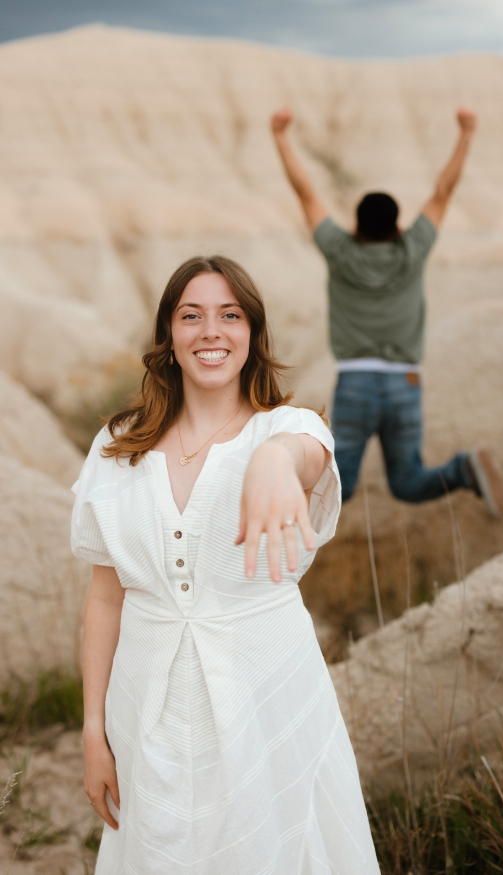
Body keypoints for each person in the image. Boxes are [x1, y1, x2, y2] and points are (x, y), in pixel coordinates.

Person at [72, 255, 381, 874]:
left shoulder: (287, 429)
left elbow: (306, 456)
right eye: (192, 316)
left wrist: (272, 462)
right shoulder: (116, 448)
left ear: (251, 335)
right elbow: (107, 598)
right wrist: (91, 728)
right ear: (169, 337)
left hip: (265, 695)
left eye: (229, 315)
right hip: (148, 703)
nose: (211, 331)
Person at [271, 107, 503, 517]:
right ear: (398, 226)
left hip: (355, 382)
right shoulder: (412, 249)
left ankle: (272, 495)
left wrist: (281, 138)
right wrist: (466, 134)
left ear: (356, 228)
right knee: (407, 481)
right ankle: (462, 470)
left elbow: (306, 194)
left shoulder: (339, 250)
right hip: (405, 383)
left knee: (337, 485)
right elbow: (442, 193)